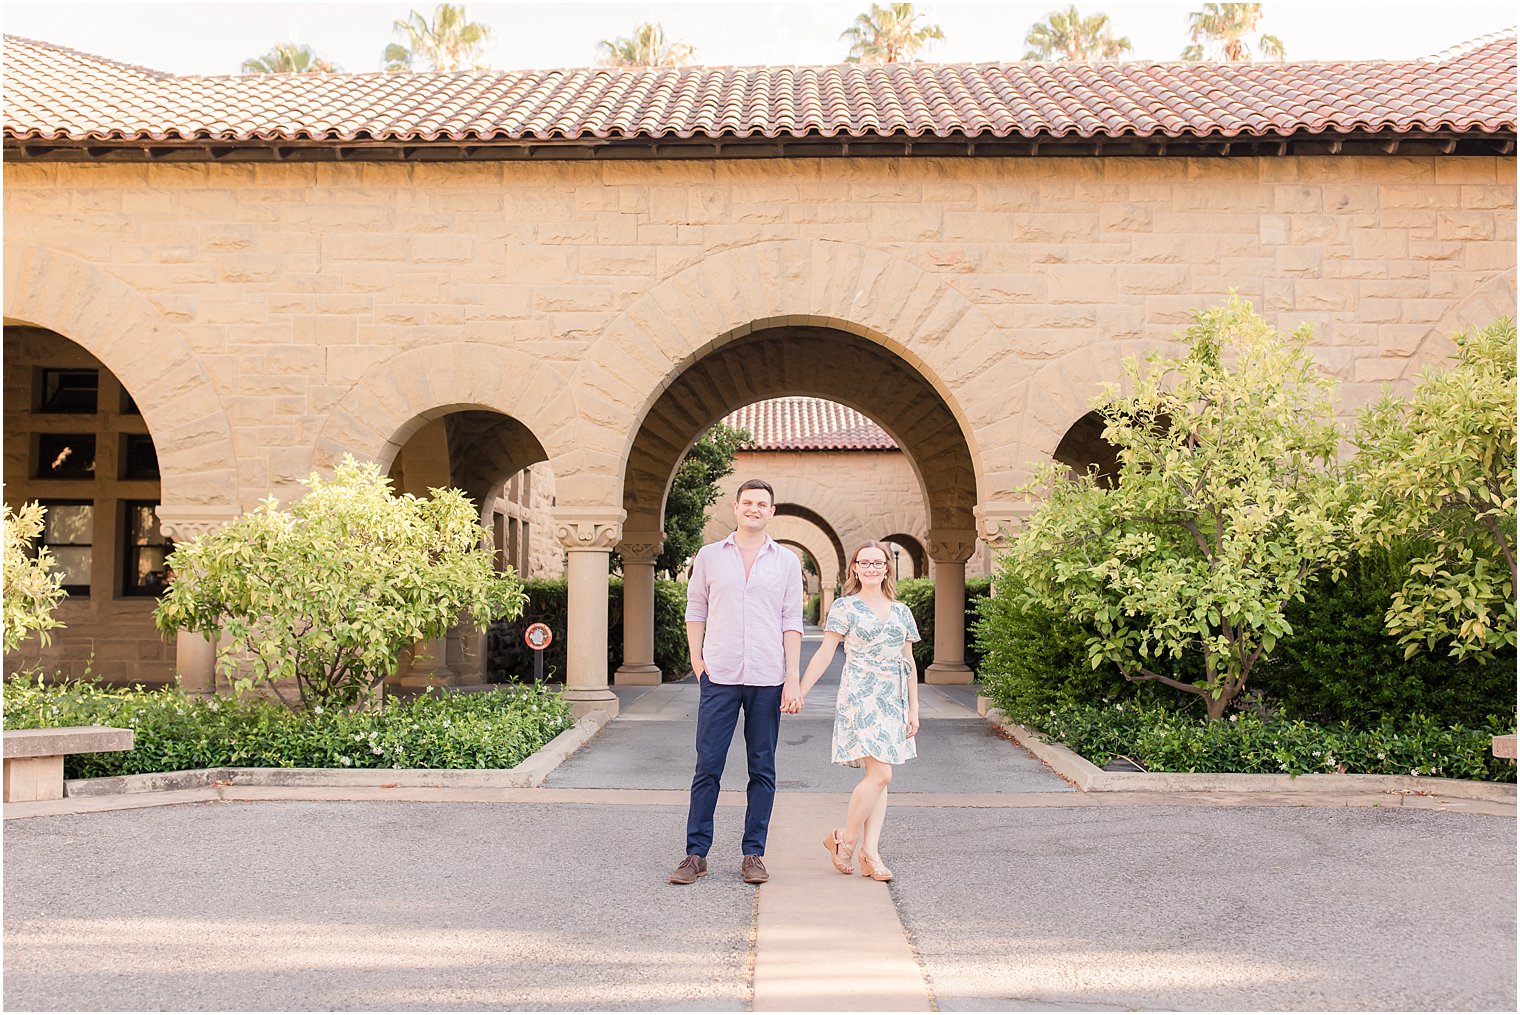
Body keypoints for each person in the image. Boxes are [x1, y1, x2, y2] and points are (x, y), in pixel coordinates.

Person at [670, 478, 804, 886]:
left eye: (762, 504)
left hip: (767, 676)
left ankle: (753, 854)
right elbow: (696, 608)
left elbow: (791, 621)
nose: (754, 509)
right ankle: (696, 854)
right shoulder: (710, 557)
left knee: (762, 768)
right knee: (708, 765)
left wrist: (792, 678)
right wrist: (697, 659)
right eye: (748, 502)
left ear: (771, 511)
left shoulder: (786, 562)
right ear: (736, 507)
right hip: (720, 675)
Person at [784, 541, 920, 882]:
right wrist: (800, 689)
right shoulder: (845, 607)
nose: (872, 568)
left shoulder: (902, 610)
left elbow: (909, 662)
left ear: (887, 568)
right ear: (855, 569)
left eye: (879, 563)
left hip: (894, 698)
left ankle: (870, 853)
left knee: (880, 777)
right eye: (865, 563)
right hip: (860, 696)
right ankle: (846, 839)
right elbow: (825, 654)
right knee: (881, 775)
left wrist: (914, 709)